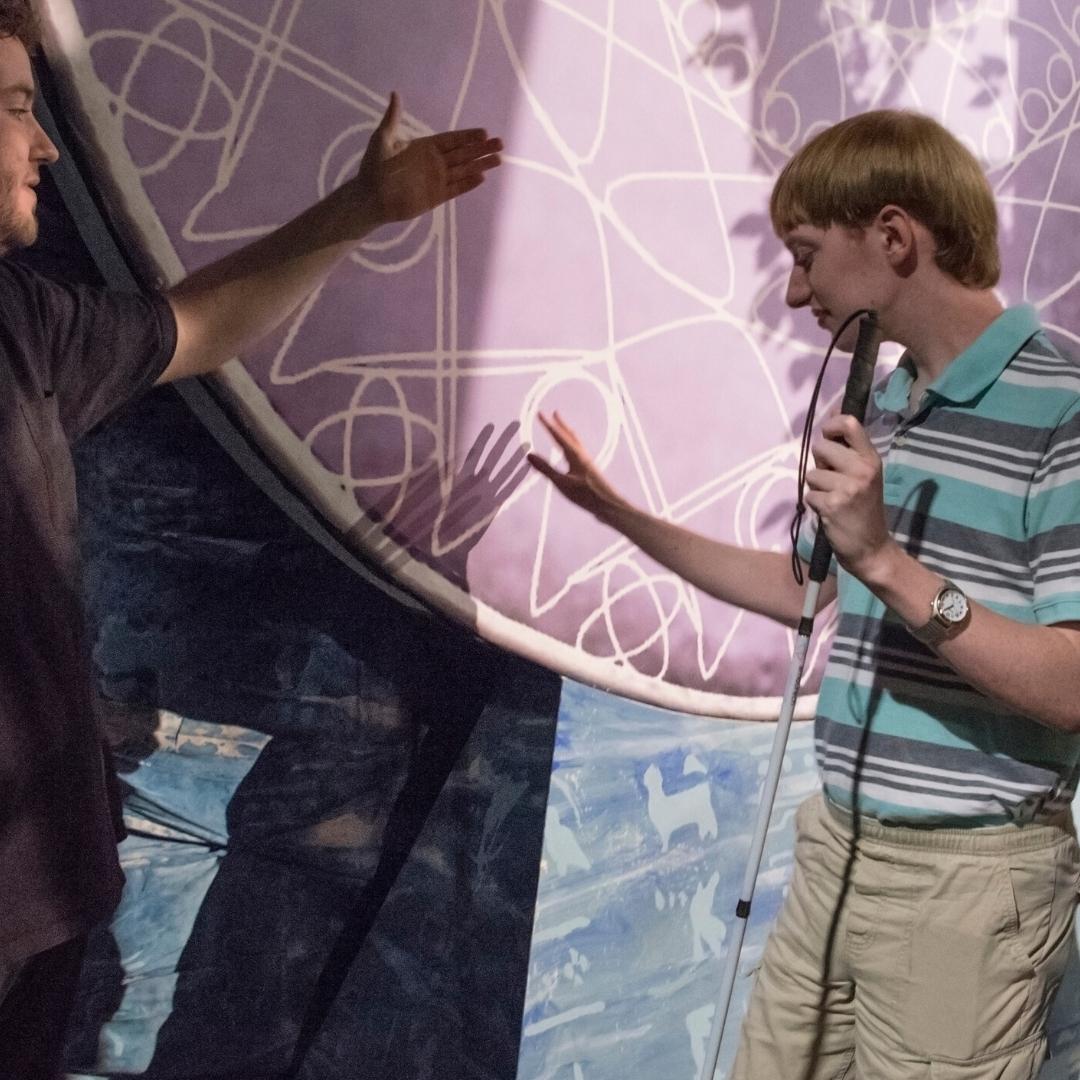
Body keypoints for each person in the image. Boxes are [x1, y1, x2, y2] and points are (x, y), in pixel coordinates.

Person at [0, 2, 502, 1075]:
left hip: (42, 896)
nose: (43, 140)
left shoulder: (25, 319)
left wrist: (360, 208)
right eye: (10, 110)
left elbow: (194, 326)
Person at [530, 109, 1080, 1079]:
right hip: (836, 847)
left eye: (807, 254)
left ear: (895, 236)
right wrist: (619, 514)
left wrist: (890, 564)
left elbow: (1073, 689)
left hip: (968, 884)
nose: (795, 291)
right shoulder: (881, 407)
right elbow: (803, 592)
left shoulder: (1064, 406)